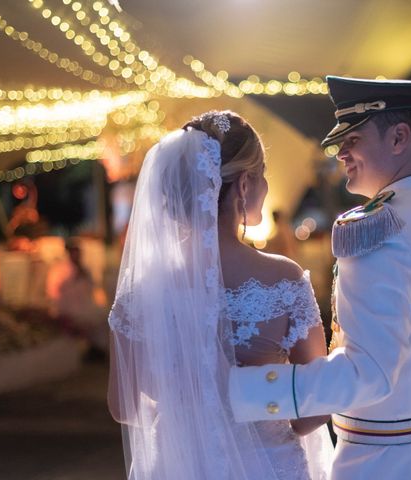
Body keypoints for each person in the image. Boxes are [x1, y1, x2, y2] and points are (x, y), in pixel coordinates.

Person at [229, 76, 411, 479]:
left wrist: (236, 391)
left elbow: (366, 374)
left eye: (352, 140)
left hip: (390, 464)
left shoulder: (380, 229)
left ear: (399, 138)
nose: (341, 154)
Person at [107, 111, 333, 479]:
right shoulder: (282, 278)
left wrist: (188, 409)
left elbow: (123, 406)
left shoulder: (140, 291)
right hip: (269, 465)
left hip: (177, 465)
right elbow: (313, 412)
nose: (264, 186)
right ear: (244, 184)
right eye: (262, 175)